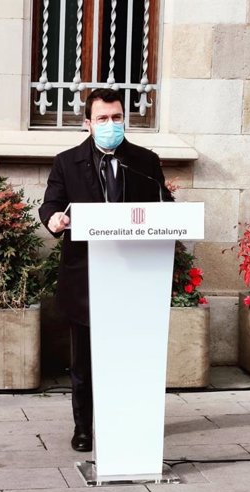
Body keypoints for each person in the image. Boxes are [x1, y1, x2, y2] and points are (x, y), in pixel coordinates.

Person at [39, 88, 173, 452]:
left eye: (116, 118)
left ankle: (129, 420)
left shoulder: (144, 160)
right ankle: (84, 429)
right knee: (83, 360)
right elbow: (51, 202)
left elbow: (165, 204)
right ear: (88, 123)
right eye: (102, 119)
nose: (110, 124)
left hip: (134, 275)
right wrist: (54, 218)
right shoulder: (67, 162)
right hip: (86, 275)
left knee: (130, 356)